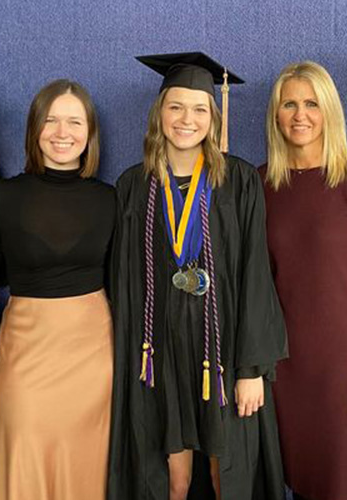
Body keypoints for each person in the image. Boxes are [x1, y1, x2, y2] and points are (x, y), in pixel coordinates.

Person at [107, 52, 288, 500]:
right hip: (159, 356)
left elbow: (255, 276)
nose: (187, 119)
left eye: (200, 109)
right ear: (159, 113)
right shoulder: (134, 186)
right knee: (172, 479)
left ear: (214, 116)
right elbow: (123, 282)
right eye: (176, 107)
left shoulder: (240, 180)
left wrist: (251, 369)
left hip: (222, 354)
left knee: (225, 471)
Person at [260, 61, 347, 500]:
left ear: (329, 110)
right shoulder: (260, 183)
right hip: (283, 364)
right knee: (296, 480)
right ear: (276, 115)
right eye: (290, 104)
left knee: (341, 484)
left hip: (344, 367)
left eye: (312, 103)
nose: (300, 115)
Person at [0, 79, 115, 500]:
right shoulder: (2, 196)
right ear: (34, 129)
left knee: (87, 466)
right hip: (26, 351)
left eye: (75, 122)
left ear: (90, 133)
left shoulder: (110, 199)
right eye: (52, 120)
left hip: (92, 357)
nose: (63, 133)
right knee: (24, 458)